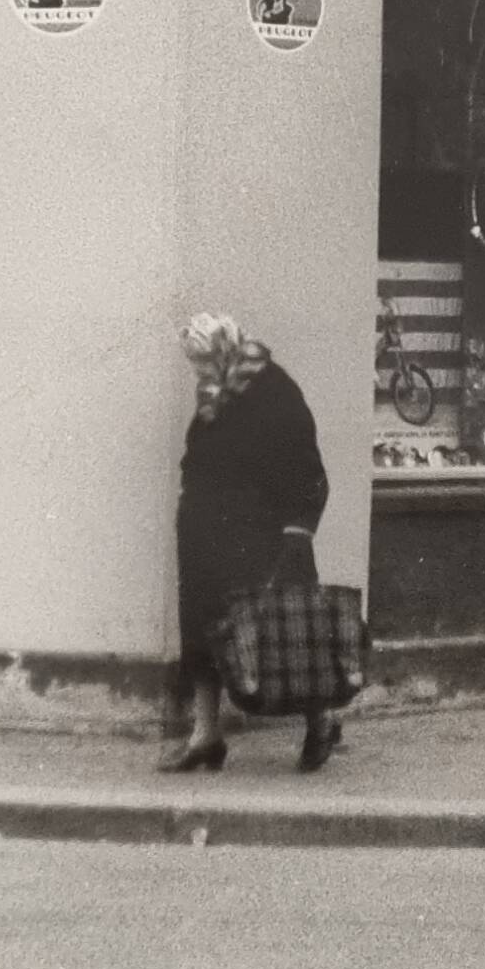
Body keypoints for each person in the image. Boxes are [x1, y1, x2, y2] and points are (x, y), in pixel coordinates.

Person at [165, 309, 338, 773]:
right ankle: (206, 736)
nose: (198, 371)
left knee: (282, 634)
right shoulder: (214, 394)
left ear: (225, 349)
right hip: (205, 530)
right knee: (201, 630)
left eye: (203, 360)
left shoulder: (274, 389)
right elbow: (198, 454)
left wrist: (298, 529)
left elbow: (306, 465)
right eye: (194, 363)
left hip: (257, 530)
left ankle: (320, 722)